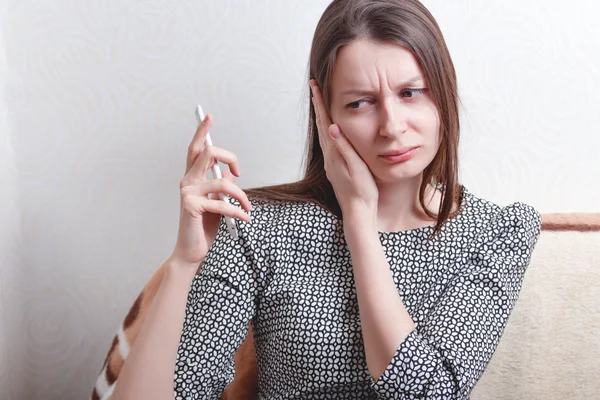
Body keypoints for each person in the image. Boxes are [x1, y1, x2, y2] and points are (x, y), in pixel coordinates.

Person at [111, 0, 542, 399]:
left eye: (411, 93)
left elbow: (424, 393)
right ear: (325, 113)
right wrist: (185, 263)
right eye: (361, 103)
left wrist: (359, 225)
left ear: (443, 95)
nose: (392, 126)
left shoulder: (499, 232)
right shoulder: (259, 228)